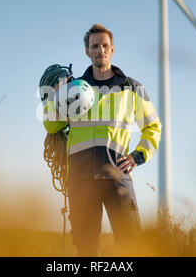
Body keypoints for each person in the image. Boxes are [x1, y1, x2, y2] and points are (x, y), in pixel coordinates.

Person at [43, 23, 162, 256]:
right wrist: (54, 96)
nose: (100, 50)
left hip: (117, 176)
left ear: (113, 49)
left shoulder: (133, 88)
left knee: (131, 244)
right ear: (87, 51)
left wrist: (139, 156)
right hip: (80, 178)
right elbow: (51, 124)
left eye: (105, 45)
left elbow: (153, 126)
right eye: (95, 46)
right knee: (86, 249)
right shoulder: (72, 89)